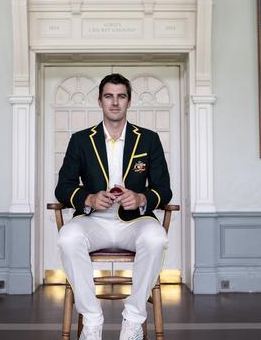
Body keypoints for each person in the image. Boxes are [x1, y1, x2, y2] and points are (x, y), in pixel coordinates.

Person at [55, 73, 172, 340]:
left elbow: (164, 189)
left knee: (156, 238)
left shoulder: (148, 139)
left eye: (121, 96)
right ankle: (92, 320)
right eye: (109, 96)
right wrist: (88, 199)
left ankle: (133, 319)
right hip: (94, 221)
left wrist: (142, 199)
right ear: (100, 101)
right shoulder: (81, 140)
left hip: (134, 222)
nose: (115, 102)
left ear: (129, 102)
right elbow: (63, 186)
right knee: (68, 237)